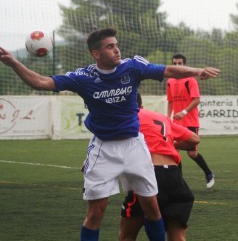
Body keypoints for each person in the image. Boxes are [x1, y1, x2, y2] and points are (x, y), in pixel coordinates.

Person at [0, 28, 220, 241]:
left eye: (116, 45)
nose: (117, 50)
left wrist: (197, 71)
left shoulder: (132, 67)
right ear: (96, 53)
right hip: (103, 148)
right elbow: (41, 82)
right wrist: (13, 63)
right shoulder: (82, 77)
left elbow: (167, 70)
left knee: (152, 207)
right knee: (96, 212)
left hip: (135, 145)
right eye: (110, 46)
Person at [119, 93, 200, 241]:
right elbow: (194, 140)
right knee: (178, 237)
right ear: (141, 106)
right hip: (175, 177)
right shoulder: (160, 117)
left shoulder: (125, 117)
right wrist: (170, 145)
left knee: (127, 235)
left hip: (150, 173)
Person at [166, 53, 215, 189]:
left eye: (180, 63)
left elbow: (197, 100)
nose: (177, 66)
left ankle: (209, 173)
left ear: (184, 65)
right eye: (174, 63)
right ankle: (180, 182)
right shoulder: (169, 81)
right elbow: (170, 101)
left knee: (192, 153)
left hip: (190, 121)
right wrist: (168, 117)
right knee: (174, 150)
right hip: (176, 123)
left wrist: (184, 112)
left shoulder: (190, 80)